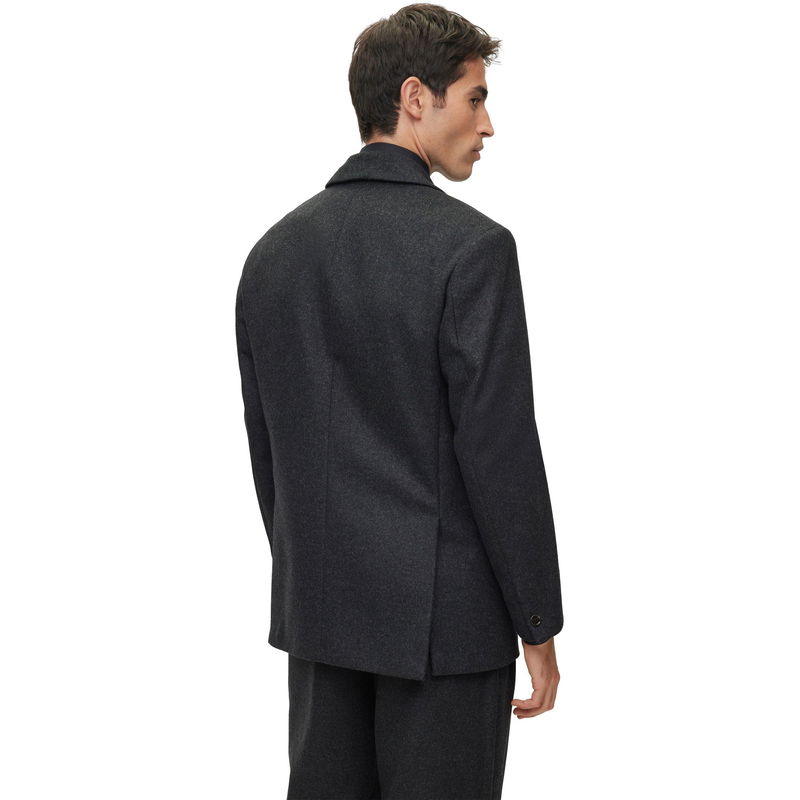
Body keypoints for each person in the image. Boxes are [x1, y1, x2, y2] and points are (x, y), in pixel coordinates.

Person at [235, 4, 565, 798]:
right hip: (447, 632)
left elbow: (269, 453)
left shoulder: (272, 255)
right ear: (416, 97)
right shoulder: (473, 250)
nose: (487, 126)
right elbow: (499, 452)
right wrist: (537, 621)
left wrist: (314, 574)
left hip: (321, 619)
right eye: (475, 98)